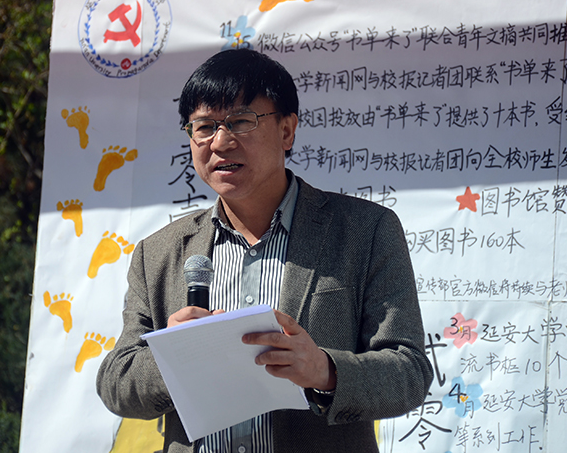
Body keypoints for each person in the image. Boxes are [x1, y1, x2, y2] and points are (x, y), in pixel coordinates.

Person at [96, 49, 433, 453]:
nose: (221, 142)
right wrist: (173, 360)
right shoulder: (158, 253)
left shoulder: (366, 231)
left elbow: (408, 372)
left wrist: (324, 370)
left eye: (241, 121)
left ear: (287, 130)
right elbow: (116, 382)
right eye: (204, 127)